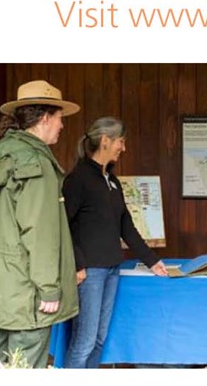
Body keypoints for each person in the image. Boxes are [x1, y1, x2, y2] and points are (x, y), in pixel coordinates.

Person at [0, 80, 81, 367]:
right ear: (44, 119)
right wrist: (50, 289)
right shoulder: (36, 163)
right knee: (25, 368)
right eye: (59, 119)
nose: (62, 126)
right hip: (27, 291)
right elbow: (39, 232)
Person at [62, 117, 169, 368]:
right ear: (105, 141)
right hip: (89, 273)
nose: (124, 148)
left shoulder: (112, 181)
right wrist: (77, 265)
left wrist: (152, 261)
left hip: (111, 269)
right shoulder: (78, 179)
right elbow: (62, 225)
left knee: (99, 340)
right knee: (84, 342)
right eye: (121, 141)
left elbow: (126, 228)